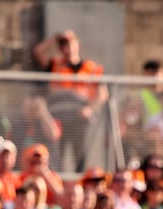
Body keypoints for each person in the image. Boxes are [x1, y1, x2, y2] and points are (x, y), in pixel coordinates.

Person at [32, 29, 108, 172]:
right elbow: (38, 52)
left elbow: (102, 93)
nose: (67, 47)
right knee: (56, 154)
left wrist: (90, 109)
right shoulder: (55, 65)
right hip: (59, 117)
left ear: (78, 45)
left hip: (80, 118)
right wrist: (56, 38)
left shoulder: (90, 68)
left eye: (70, 43)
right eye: (63, 45)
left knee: (80, 154)